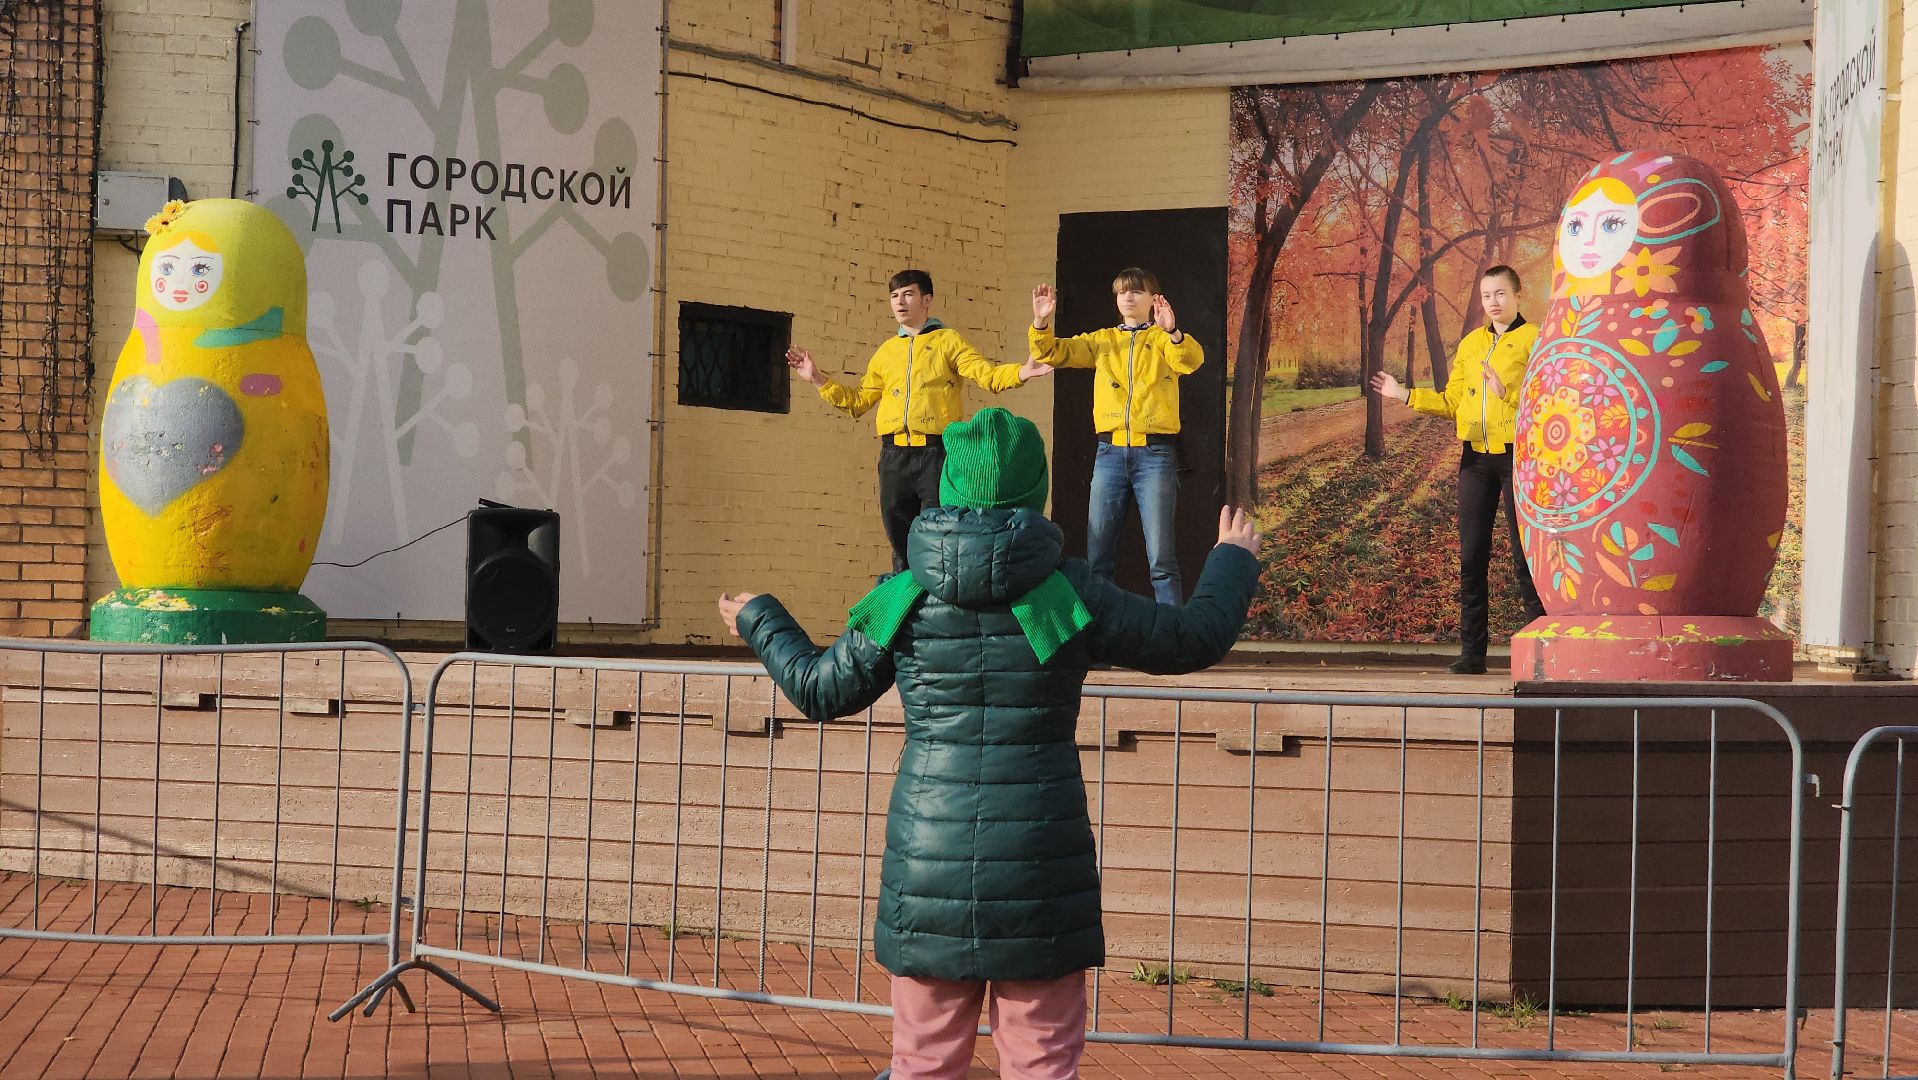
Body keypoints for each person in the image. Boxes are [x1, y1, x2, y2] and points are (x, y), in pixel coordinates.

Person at [717, 407, 1259, 1079]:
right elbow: (1191, 639)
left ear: (949, 489)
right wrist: (1232, 561)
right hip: (1040, 870)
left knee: (924, 1066)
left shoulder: (903, 597)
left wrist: (759, 617)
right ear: (1034, 495)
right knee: (1040, 1066)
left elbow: (819, 688)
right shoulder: (1065, 594)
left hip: (928, 869)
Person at [788, 269, 1051, 571]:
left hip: (934, 453)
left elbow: (986, 374)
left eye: (908, 294)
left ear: (927, 300)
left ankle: (937, 605)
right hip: (893, 456)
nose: (900, 302)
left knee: (937, 538)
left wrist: (1022, 372)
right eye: (894, 296)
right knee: (900, 541)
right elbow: (859, 402)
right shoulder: (886, 352)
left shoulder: (947, 341)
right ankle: (904, 609)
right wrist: (818, 379)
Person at [1371, 264, 1547, 674]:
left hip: (1517, 458)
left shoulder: (1534, 339)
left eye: (1500, 294)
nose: (1493, 302)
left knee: (1525, 558)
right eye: (1487, 296)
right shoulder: (1470, 344)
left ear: (1518, 295)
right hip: (1475, 460)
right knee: (1472, 557)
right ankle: (1473, 654)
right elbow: (1452, 403)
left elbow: (1547, 397)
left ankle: (1540, 654)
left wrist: (1508, 393)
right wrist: (1405, 395)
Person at [1028, 268, 1203, 605]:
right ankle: (1100, 641)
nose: (1128, 297)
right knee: (1099, 559)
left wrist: (1173, 330)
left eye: (1136, 291)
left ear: (1154, 299)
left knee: (1162, 561)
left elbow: (1191, 361)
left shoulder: (1163, 340)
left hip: (1154, 454)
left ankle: (1173, 643)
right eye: (1122, 291)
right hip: (1109, 453)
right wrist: (1040, 323)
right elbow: (1052, 353)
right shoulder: (1103, 340)